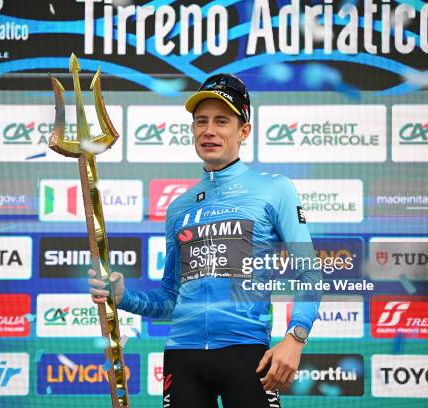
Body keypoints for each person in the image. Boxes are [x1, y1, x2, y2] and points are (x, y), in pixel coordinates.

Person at [88, 73, 322, 408]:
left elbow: (309, 272)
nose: (208, 130)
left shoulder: (275, 189)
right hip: (183, 359)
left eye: (221, 121)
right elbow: (170, 299)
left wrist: (295, 337)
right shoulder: (179, 207)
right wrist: (124, 298)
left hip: (248, 354)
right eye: (201, 121)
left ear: (244, 131)